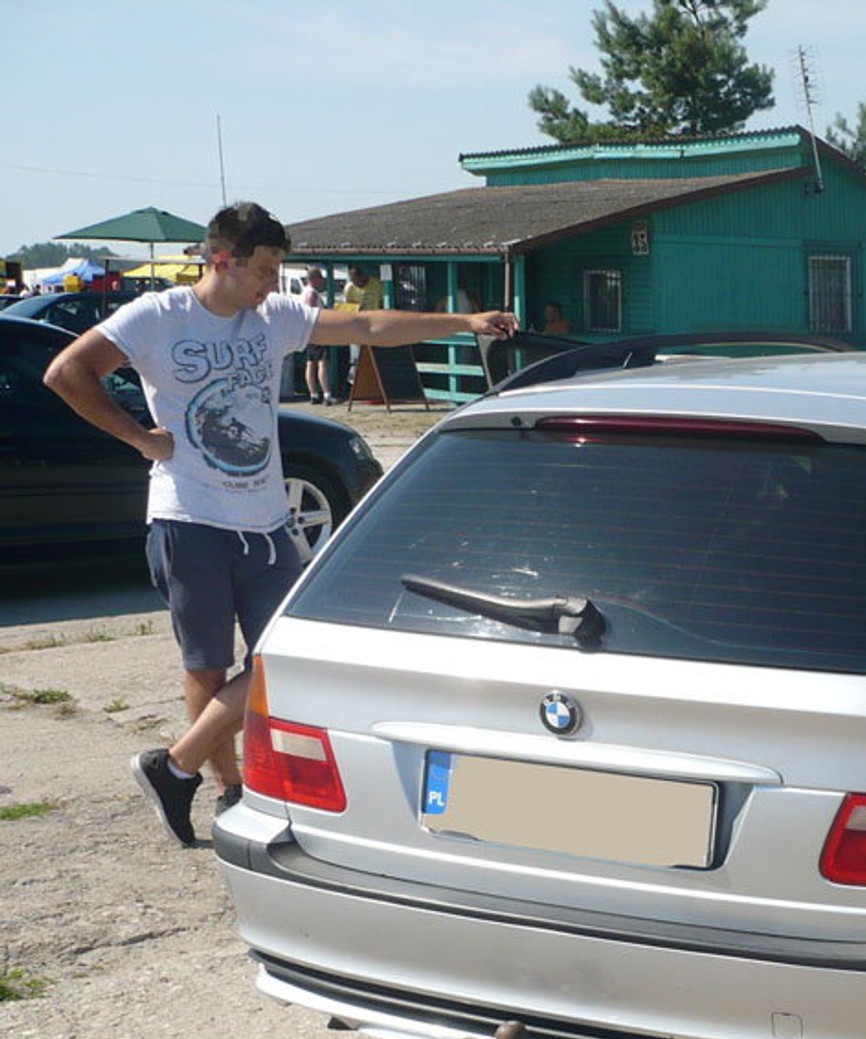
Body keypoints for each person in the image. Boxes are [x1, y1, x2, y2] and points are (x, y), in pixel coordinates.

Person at [43, 201, 519, 846]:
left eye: (277, 270)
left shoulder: (273, 319)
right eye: (264, 270)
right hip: (190, 519)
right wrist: (137, 437)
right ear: (221, 260)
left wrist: (465, 321)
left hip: (268, 522)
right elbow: (67, 372)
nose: (272, 284)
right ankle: (226, 789)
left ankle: (174, 766)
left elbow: (370, 324)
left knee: (283, 657)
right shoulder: (158, 317)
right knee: (207, 668)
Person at [300, 267, 331, 404]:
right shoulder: (312, 293)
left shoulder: (303, 292)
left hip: (307, 331)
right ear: (313, 279)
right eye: (319, 279)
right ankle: (327, 394)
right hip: (317, 330)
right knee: (322, 363)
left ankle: (313, 394)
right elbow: (311, 311)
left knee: (310, 363)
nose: (321, 282)